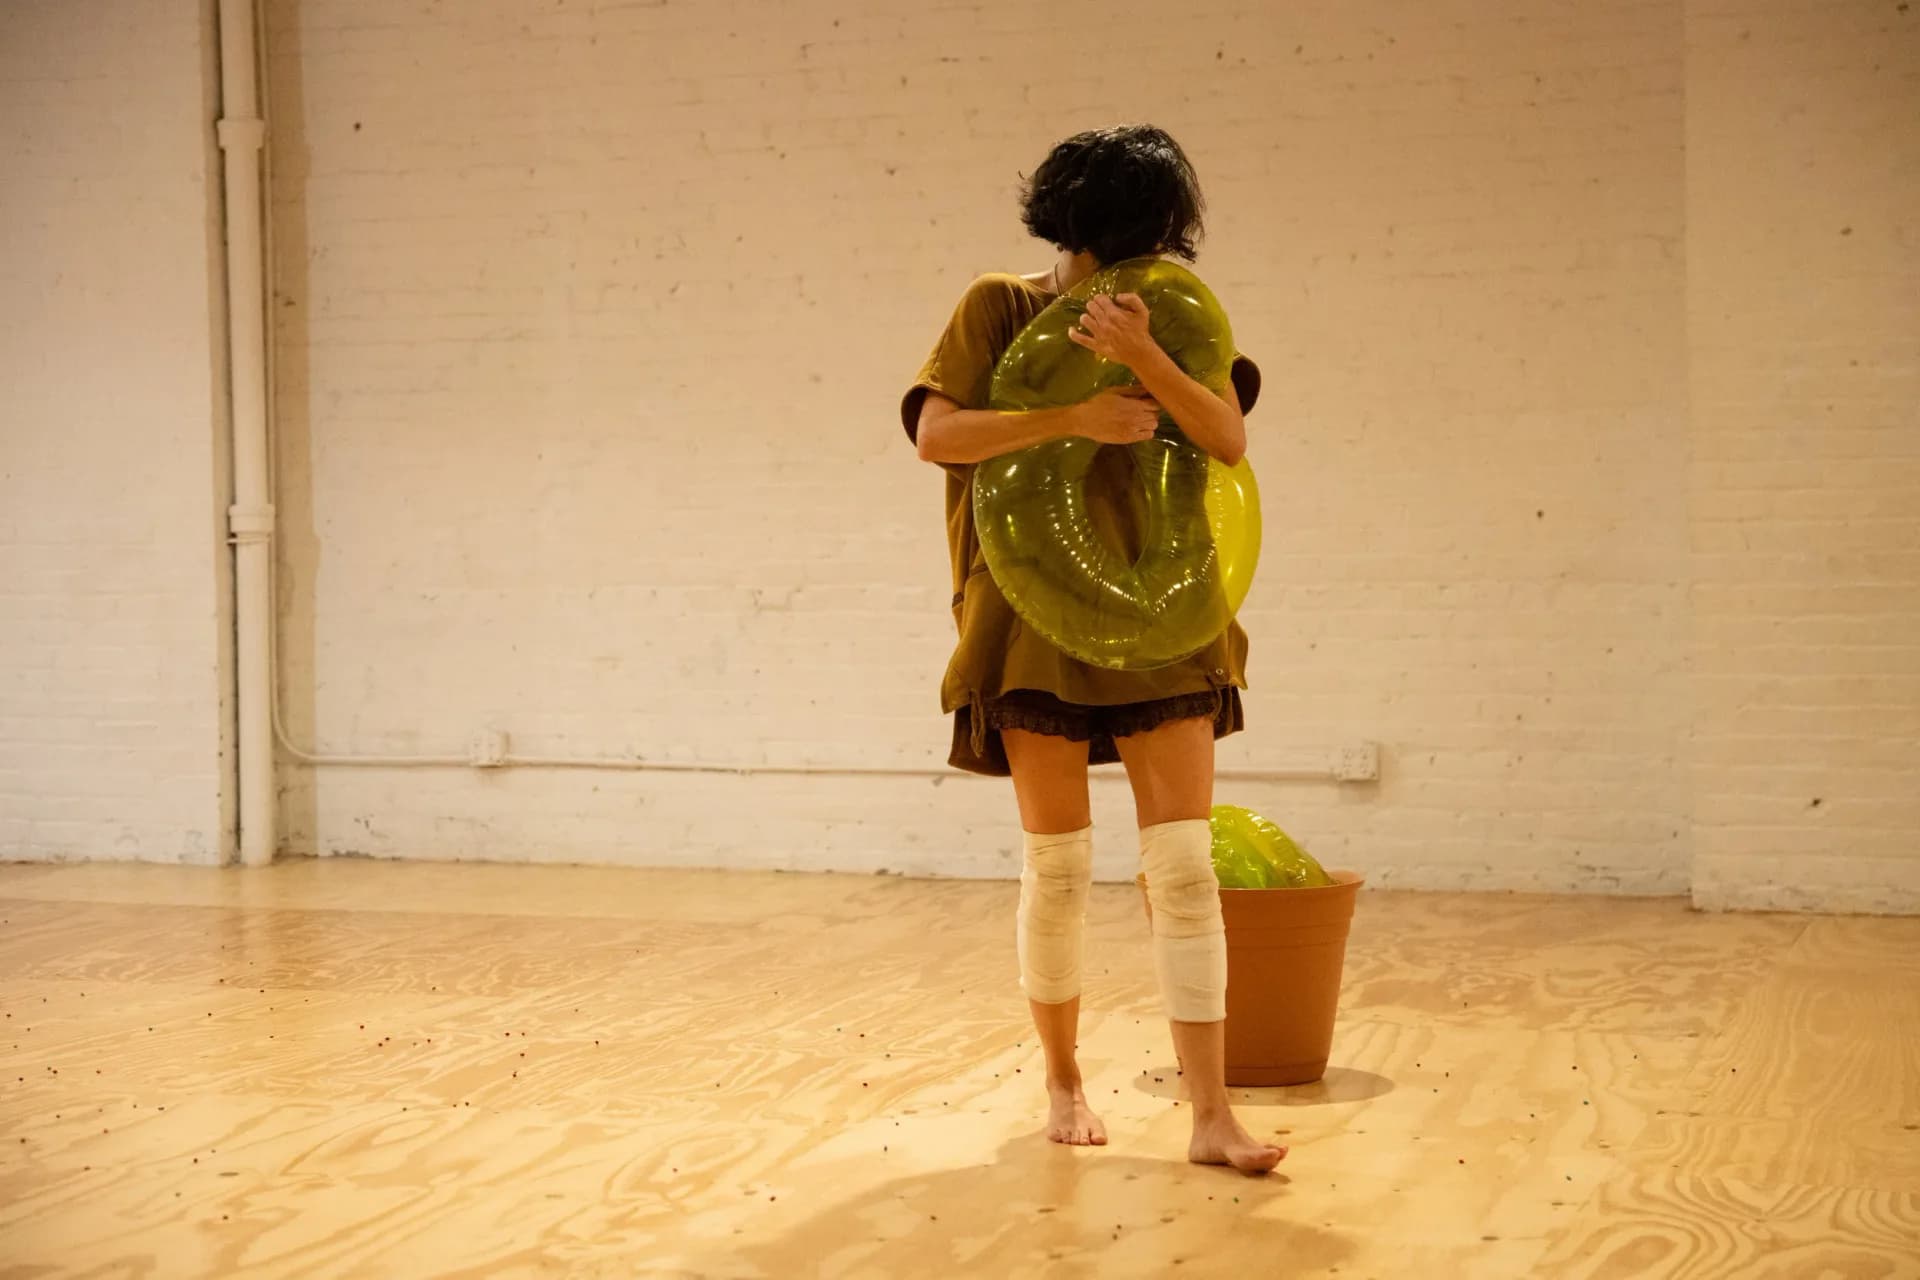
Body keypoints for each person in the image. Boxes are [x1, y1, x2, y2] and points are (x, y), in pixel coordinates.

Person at [900, 125, 1284, 1173]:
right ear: (1077, 224)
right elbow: (939, 436)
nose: (1141, 253)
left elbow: (1226, 436)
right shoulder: (1000, 305)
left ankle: (1212, 1114)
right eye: (1131, 231)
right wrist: (1075, 412)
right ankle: (1065, 1080)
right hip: (1029, 617)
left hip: (1166, 611)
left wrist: (1144, 353)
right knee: (1060, 865)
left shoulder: (1170, 316)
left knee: (1185, 867)